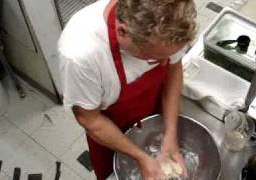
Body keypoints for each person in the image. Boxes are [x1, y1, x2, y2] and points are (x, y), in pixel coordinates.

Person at [58, 0, 197, 179]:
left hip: (153, 109)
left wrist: (170, 135)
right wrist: (140, 157)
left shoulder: (172, 21)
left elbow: (173, 68)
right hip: (108, 130)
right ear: (123, 32)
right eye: (154, 58)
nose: (164, 63)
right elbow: (89, 119)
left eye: (167, 56)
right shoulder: (81, 56)